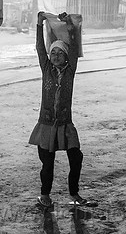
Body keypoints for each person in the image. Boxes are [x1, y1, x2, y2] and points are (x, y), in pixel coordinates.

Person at [29, 11, 86, 208]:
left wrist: (69, 26)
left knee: (76, 157)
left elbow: (75, 47)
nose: (55, 56)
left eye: (59, 53)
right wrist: (39, 24)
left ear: (66, 56)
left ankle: (74, 193)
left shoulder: (70, 70)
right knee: (48, 163)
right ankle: (45, 196)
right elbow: (39, 48)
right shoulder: (46, 69)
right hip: (46, 125)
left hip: (65, 124)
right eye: (53, 53)